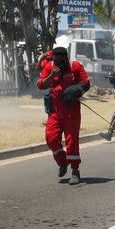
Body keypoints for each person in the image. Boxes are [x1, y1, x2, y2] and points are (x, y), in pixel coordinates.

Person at [37, 46, 90, 185]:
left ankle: (75, 170)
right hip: (55, 110)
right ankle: (63, 162)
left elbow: (85, 83)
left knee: (71, 140)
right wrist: (51, 76)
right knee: (51, 138)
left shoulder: (75, 65)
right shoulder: (49, 66)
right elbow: (41, 84)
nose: (58, 63)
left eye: (61, 60)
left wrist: (75, 90)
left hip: (71, 108)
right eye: (56, 60)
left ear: (65, 58)